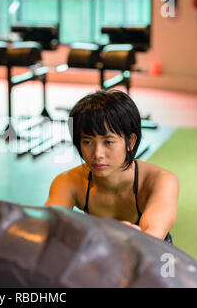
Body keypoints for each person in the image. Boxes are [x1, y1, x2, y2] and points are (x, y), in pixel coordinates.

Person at [45, 90, 178, 243]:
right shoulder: (68, 181)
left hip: (151, 257)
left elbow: (152, 236)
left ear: (131, 141)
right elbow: (48, 226)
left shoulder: (161, 181)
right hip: (100, 253)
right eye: (87, 142)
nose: (97, 154)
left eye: (108, 142)